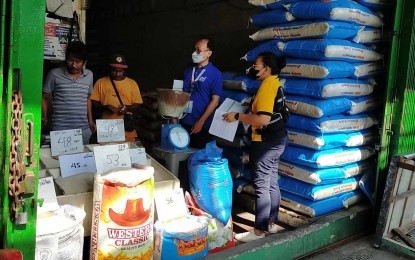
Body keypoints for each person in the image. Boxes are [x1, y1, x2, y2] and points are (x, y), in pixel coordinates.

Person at [223, 52, 288, 243]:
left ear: (266, 68)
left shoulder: (268, 87)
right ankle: (271, 224)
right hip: (277, 140)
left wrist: (237, 116)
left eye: (256, 65)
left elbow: (262, 119)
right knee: (271, 182)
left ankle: (259, 231)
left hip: (266, 143)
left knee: (261, 185)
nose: (252, 68)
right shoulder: (274, 82)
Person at [42, 41, 95, 144]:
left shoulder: (89, 75)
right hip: (60, 130)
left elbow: (88, 99)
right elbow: (44, 97)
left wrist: (91, 120)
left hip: (83, 129)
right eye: (70, 60)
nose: (73, 65)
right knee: (59, 160)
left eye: (78, 62)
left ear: (84, 62)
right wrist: (45, 116)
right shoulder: (54, 74)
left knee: (84, 158)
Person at [181, 37, 222, 149]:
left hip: (202, 125)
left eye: (198, 50)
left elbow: (215, 101)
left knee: (198, 157)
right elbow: (180, 92)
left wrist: (201, 121)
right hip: (183, 120)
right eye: (194, 50)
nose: (194, 53)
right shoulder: (188, 69)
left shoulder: (215, 74)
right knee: (182, 155)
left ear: (208, 53)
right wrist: (175, 117)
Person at [90, 54, 143, 142]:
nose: (118, 74)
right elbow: (95, 103)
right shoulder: (100, 82)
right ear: (110, 69)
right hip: (106, 128)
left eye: (121, 71)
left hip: (125, 127)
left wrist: (127, 108)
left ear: (124, 70)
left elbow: (138, 103)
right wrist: (105, 107)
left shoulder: (132, 83)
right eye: (114, 71)